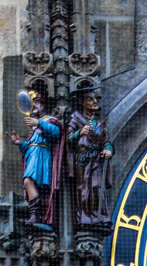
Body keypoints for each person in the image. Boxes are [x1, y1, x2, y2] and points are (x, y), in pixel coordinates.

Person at [10, 88, 64, 227]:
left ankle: (37, 214)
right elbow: (29, 148)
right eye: (32, 105)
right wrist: (20, 143)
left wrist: (39, 123)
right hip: (33, 156)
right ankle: (36, 214)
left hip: (42, 157)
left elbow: (56, 133)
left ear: (42, 105)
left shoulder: (49, 121)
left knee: (29, 181)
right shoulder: (33, 129)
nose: (34, 107)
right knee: (29, 182)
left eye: (37, 104)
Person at [67, 86, 113, 227]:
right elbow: (68, 140)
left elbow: (106, 140)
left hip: (97, 159)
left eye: (95, 98)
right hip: (83, 159)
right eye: (90, 99)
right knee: (84, 188)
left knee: (97, 187)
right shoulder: (76, 119)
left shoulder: (101, 121)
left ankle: (100, 217)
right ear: (82, 103)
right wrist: (79, 133)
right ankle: (85, 218)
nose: (94, 101)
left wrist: (108, 149)